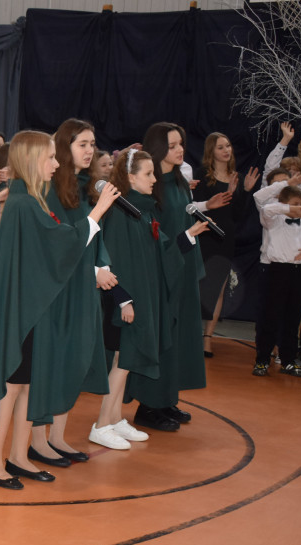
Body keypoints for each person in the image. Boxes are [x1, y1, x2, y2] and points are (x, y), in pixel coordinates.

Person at [0, 131, 118, 490]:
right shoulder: (23, 201)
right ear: (33, 159)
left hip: (33, 307)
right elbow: (58, 243)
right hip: (20, 309)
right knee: (11, 386)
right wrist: (96, 212)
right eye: (50, 158)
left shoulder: (32, 198)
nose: (55, 164)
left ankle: (19, 456)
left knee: (27, 386)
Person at [91, 149, 208, 449]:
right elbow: (109, 260)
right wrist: (122, 299)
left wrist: (190, 235)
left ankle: (115, 419)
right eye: (148, 174)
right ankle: (101, 424)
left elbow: (161, 253)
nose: (155, 179)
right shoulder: (118, 211)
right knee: (120, 358)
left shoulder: (142, 210)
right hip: (123, 300)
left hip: (139, 298)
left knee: (126, 361)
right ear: (130, 177)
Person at [128, 123, 207, 432]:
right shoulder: (152, 186)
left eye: (181, 144)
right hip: (161, 271)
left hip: (183, 267)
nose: (180, 149)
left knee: (178, 338)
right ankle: (149, 405)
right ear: (159, 147)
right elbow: (152, 235)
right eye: (173, 145)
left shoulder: (179, 182)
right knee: (161, 336)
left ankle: (166, 399)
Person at [192, 132, 258, 357]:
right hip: (203, 235)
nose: (226, 150)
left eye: (228, 146)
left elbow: (237, 215)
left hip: (224, 238)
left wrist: (243, 191)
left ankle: (207, 338)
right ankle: (187, 333)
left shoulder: (236, 176)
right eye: (221, 147)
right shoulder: (202, 175)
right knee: (196, 286)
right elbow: (195, 208)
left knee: (218, 288)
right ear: (212, 151)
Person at [253, 185, 301, 377]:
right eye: (295, 204)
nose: (300, 208)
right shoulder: (273, 219)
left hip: (299, 273)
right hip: (278, 271)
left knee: (293, 318)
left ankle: (288, 360)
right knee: (271, 317)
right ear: (284, 204)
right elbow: (266, 209)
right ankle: (262, 360)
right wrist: (289, 209)